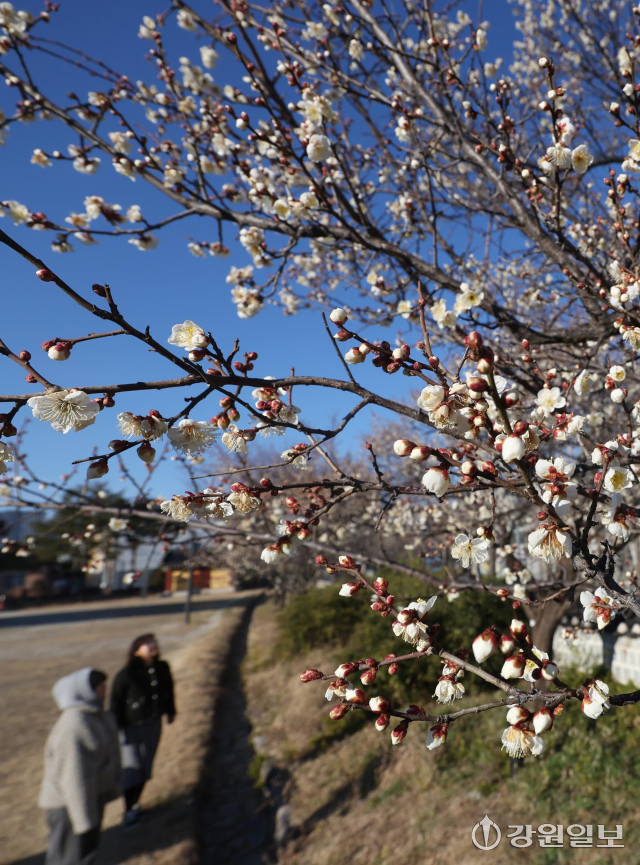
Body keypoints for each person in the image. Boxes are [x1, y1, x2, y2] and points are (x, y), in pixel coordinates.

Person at [39, 668, 121, 865]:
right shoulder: (75, 726)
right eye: (99, 686)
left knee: (84, 854)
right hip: (71, 805)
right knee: (69, 858)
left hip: (87, 798)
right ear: (83, 692)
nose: (104, 689)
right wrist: (84, 819)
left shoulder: (94, 715)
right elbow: (73, 777)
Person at [110, 633, 176, 827]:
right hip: (130, 729)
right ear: (136, 651)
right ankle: (128, 811)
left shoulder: (162, 668)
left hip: (153, 724)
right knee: (132, 768)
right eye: (147, 644)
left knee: (146, 766)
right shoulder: (126, 674)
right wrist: (115, 729)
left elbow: (168, 691)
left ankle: (135, 804)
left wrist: (170, 711)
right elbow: (116, 703)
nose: (152, 645)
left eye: (154, 642)